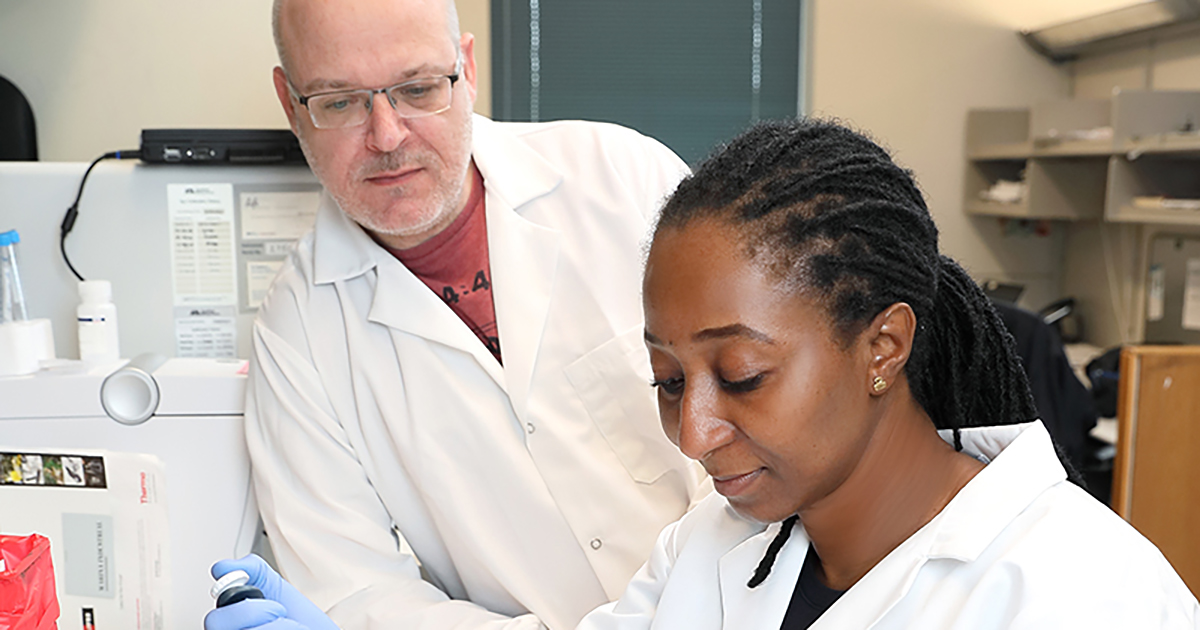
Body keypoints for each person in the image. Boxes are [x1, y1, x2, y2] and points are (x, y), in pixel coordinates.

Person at [210, 118, 1199, 630]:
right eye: (668, 382)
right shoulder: (717, 552)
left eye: (743, 375)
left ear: (882, 349)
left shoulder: (1082, 594)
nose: (692, 435)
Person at [228, 0, 707, 628]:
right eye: (340, 102)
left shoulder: (626, 182)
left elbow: (761, 431)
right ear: (291, 106)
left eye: (418, 89)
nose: (388, 135)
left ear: (468, 69)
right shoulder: (298, 335)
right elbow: (361, 594)